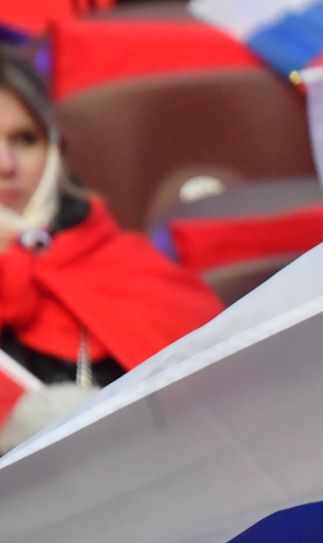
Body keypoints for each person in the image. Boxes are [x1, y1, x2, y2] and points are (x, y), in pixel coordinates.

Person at [0, 53, 220, 453]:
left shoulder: (128, 263)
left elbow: (227, 411)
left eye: (25, 139)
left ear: (55, 150)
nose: (6, 165)